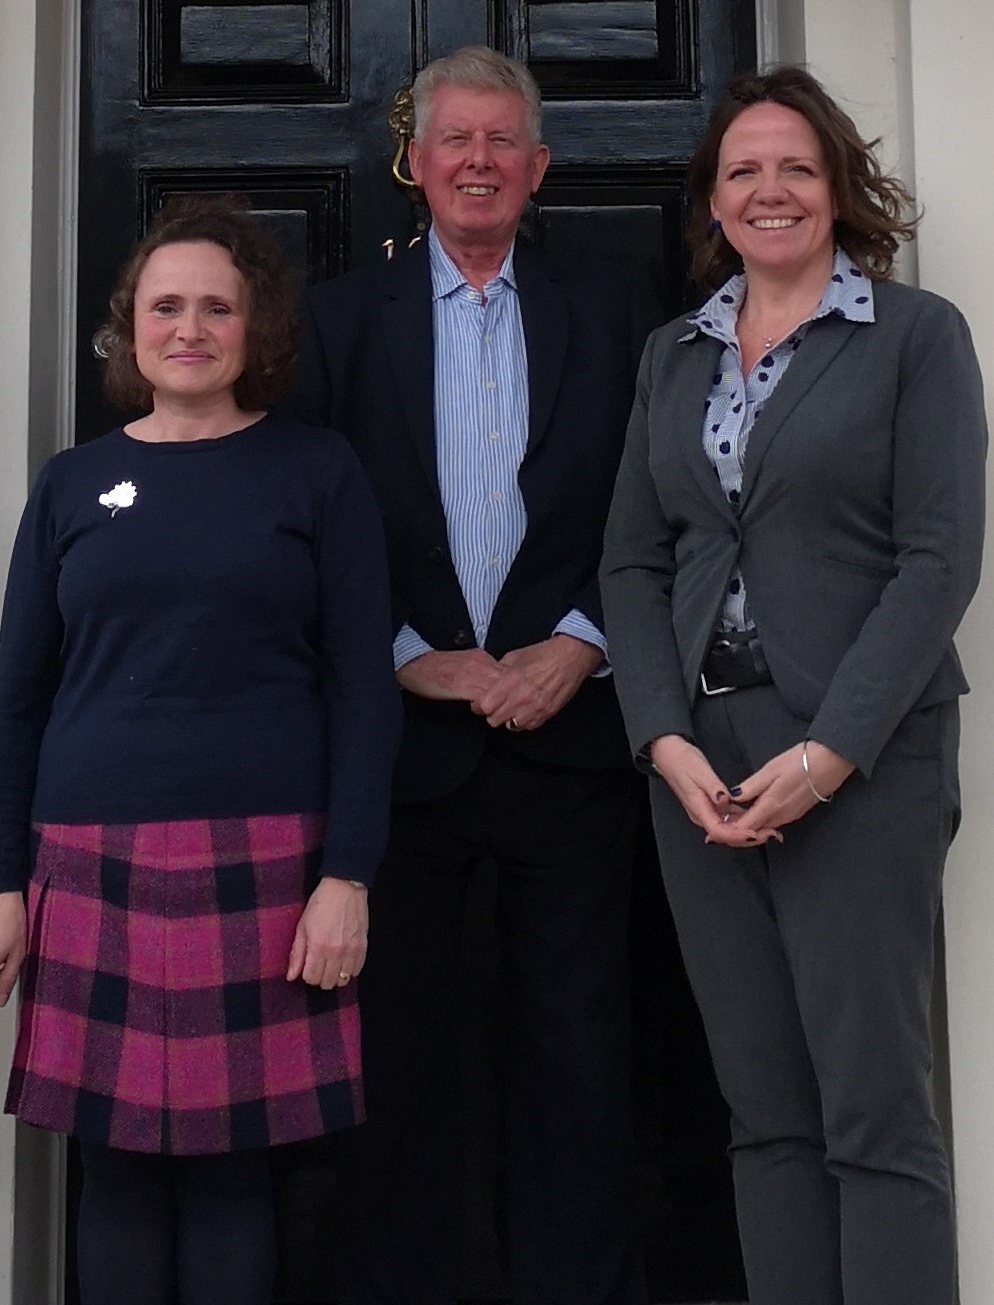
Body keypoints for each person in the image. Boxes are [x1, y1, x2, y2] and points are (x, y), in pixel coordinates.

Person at [0, 197, 400, 1305]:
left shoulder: (317, 472)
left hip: (268, 859)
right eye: (166, 305)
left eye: (217, 305)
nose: (190, 326)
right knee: (112, 1168)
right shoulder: (70, 483)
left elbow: (363, 693)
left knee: (233, 1174)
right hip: (87, 857)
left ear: (257, 329)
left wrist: (346, 875)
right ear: (130, 328)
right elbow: (16, 700)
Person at [599, 67, 988, 1305]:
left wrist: (830, 755)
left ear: (838, 189)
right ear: (712, 201)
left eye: (796, 168)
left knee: (874, 1112)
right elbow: (630, 559)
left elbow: (937, 564)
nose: (770, 191)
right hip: (703, 767)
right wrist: (665, 743)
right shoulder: (674, 355)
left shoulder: (916, 338)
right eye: (743, 171)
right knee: (763, 1114)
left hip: (858, 763)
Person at [281, 45, 655, 1305]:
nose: (480, 163)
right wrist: (404, 661)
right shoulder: (338, 322)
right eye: (458, 142)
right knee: (398, 1070)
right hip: (406, 760)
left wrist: (582, 639)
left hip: (572, 743)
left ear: (538, 168)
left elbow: (660, 511)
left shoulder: (615, 310)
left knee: (581, 1066)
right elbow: (311, 532)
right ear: (417, 163)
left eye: (504, 143)